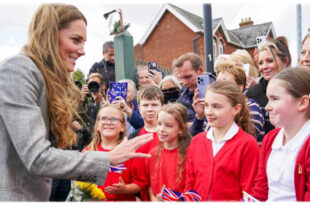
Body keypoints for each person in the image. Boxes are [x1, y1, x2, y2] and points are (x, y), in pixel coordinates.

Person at [0, 3, 152, 201]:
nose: (82, 51)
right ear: (49, 35)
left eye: (84, 42)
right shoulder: (18, 70)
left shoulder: (45, 78)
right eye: (75, 40)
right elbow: (37, 158)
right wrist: (108, 158)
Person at [185, 80, 259, 201]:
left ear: (236, 109)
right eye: (207, 105)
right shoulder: (197, 141)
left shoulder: (247, 144)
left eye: (216, 106)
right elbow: (190, 183)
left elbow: (249, 192)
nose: (209, 112)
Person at [252, 68, 310, 201]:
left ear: (302, 103)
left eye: (275, 99)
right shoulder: (270, 139)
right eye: (268, 99)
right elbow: (261, 189)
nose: (267, 106)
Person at [83, 103, 146, 201]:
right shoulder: (87, 152)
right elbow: (79, 184)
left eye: (114, 119)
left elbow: (140, 183)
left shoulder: (130, 151)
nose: (108, 122)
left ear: (123, 126)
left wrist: (125, 189)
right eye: (103, 118)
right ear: (97, 125)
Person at [246, 36, 291, 134]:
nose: (264, 67)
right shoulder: (252, 95)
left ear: (285, 61)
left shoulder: (298, 90)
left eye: (270, 61)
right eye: (261, 63)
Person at [147, 103, 191, 201]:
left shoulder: (189, 155)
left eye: (168, 125)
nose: (161, 129)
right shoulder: (153, 153)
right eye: (159, 124)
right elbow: (149, 185)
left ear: (181, 129)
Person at [128, 85, 164, 200]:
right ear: (138, 108)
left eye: (154, 105)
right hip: (141, 196)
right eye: (145, 105)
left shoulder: (170, 135)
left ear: (162, 106)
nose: (150, 109)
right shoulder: (133, 138)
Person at [173, 52, 215, 123]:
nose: (185, 82)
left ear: (201, 70)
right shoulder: (182, 98)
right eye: (181, 78)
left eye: (188, 77)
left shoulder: (222, 91)